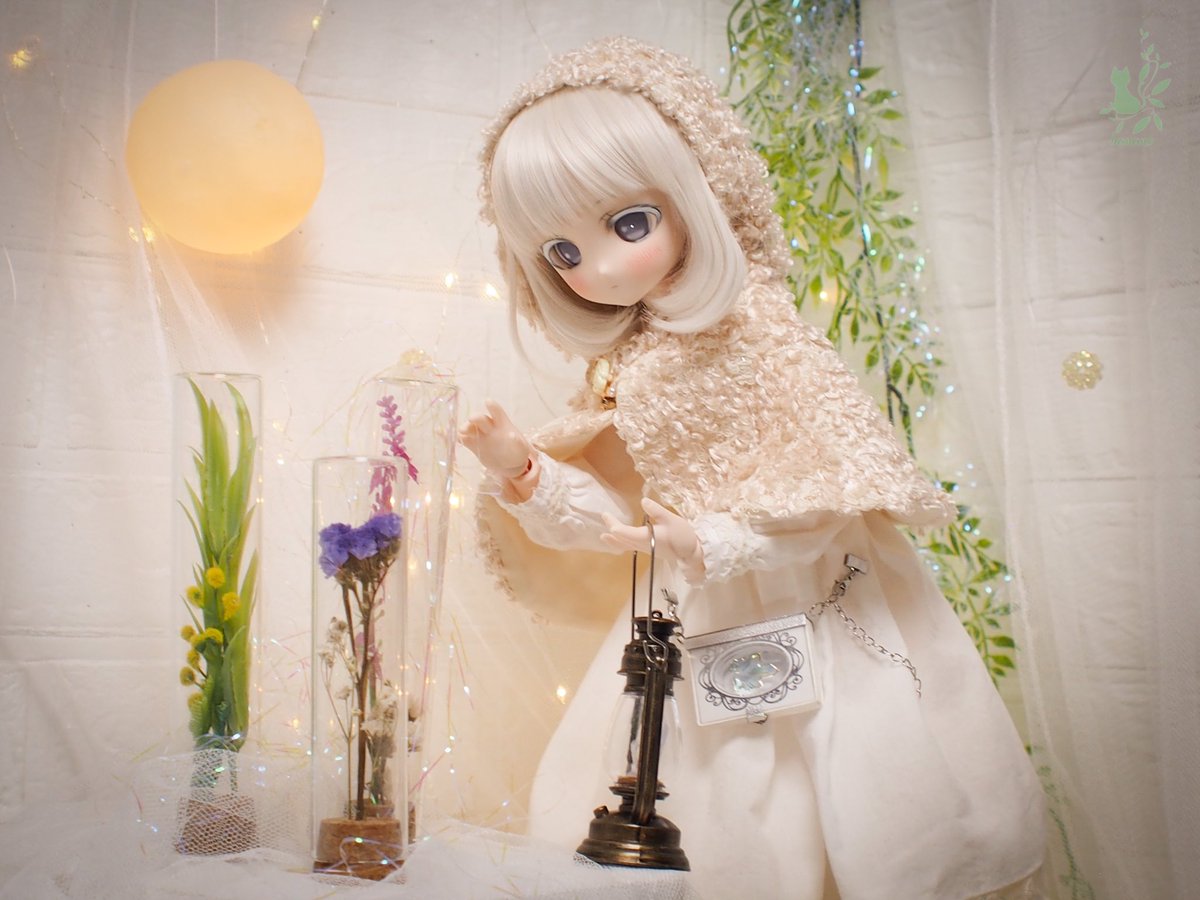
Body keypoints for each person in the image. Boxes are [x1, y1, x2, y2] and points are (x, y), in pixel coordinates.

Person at [461, 36, 1045, 899]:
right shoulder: (630, 366)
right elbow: (620, 526)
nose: (602, 267)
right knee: (682, 796)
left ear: (701, 192)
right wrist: (527, 474)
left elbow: (830, 496)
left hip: (817, 607)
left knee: (843, 799)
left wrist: (718, 540)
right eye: (563, 252)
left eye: (629, 224)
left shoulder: (765, 335)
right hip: (691, 619)